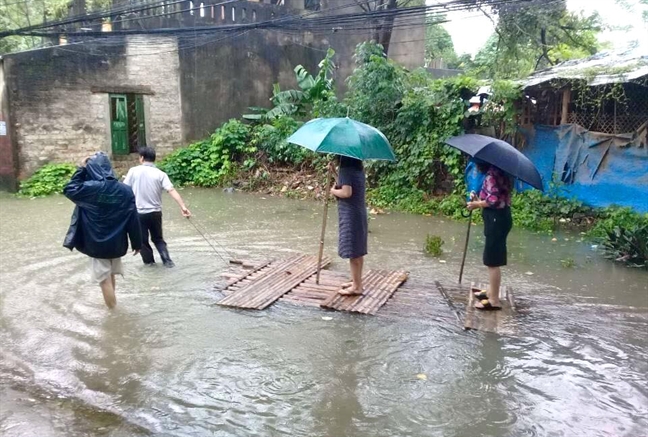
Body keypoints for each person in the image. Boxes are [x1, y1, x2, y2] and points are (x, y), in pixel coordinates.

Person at [63, 152, 142, 309]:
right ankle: (114, 305)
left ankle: (113, 314)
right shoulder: (125, 190)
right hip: (118, 242)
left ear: (93, 168)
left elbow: (69, 188)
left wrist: (81, 168)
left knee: (103, 279)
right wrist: (137, 242)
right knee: (111, 274)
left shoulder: (90, 189)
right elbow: (133, 217)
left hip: (97, 243)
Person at [123, 146, 191, 268]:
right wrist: (183, 207)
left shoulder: (133, 171)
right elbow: (171, 190)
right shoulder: (161, 174)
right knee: (158, 239)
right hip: (156, 213)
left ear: (142, 158)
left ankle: (150, 265)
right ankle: (168, 262)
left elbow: (124, 190)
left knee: (143, 242)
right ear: (154, 159)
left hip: (139, 214)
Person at [467, 162, 513, 310]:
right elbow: (493, 195)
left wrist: (476, 205)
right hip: (502, 218)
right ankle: (492, 291)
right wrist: (478, 197)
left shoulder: (491, 176)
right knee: (494, 257)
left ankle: (494, 300)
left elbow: (492, 201)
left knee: (492, 261)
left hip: (496, 219)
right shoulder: (500, 172)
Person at [329, 156, 368, 296]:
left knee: (353, 252)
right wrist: (334, 173)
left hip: (350, 215)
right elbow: (345, 184)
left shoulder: (346, 170)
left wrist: (332, 191)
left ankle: (357, 287)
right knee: (358, 251)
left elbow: (346, 192)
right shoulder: (357, 170)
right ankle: (356, 281)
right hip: (358, 213)